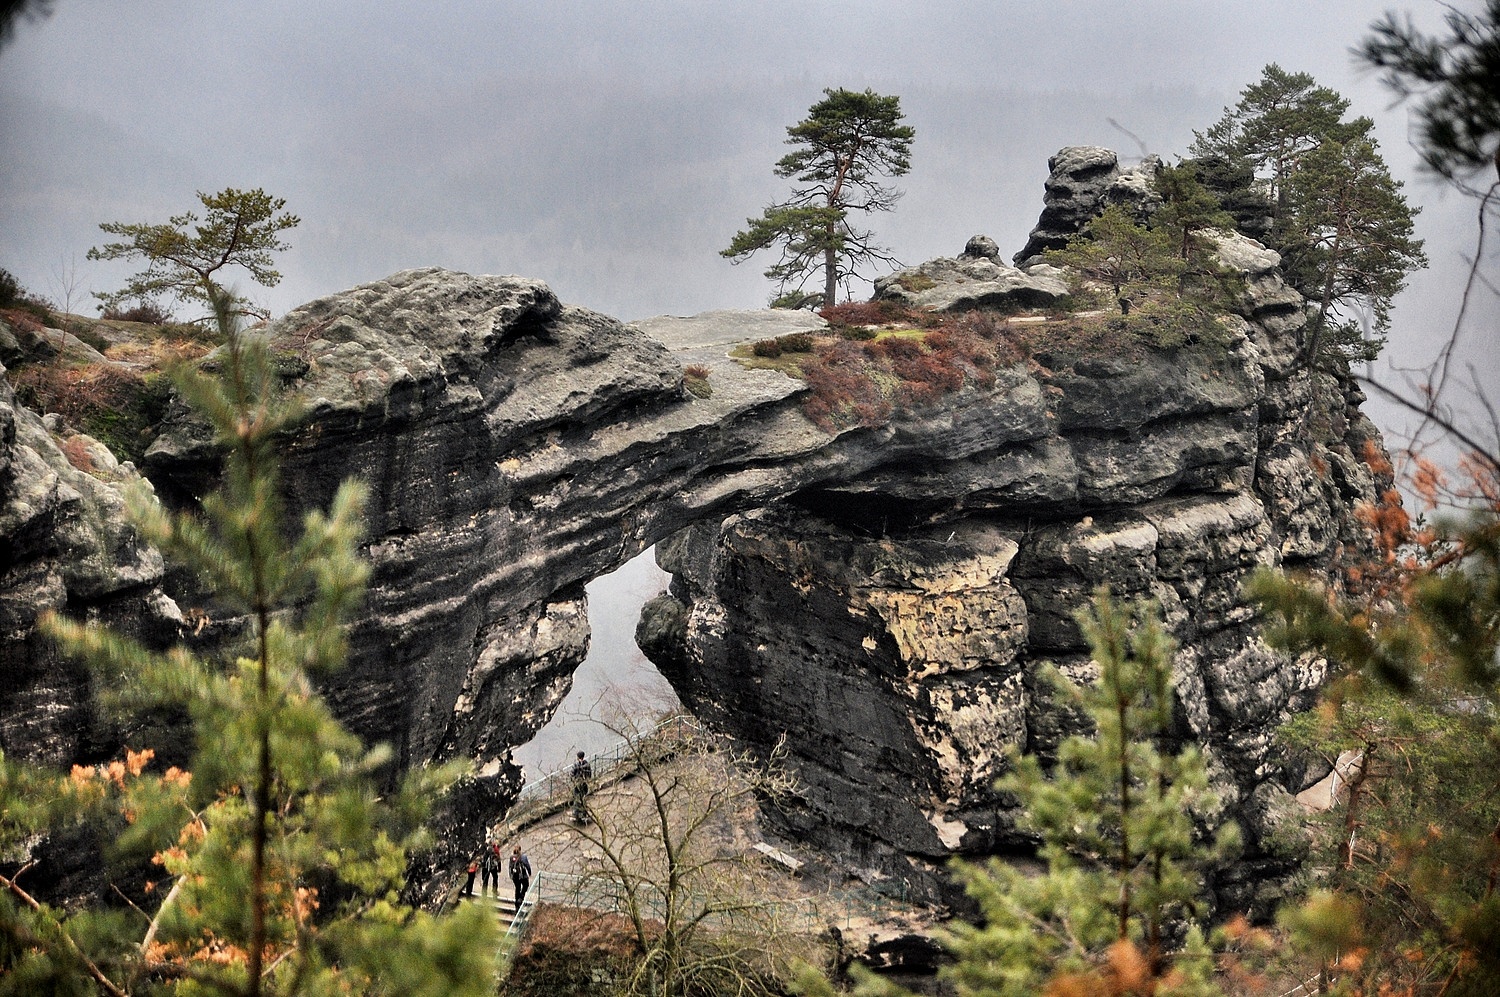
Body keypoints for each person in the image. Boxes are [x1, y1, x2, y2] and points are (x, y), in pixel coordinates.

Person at [570, 750, 593, 822]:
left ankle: (576, 815)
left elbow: (571, 775)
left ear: (578, 757)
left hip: (577, 785)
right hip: (584, 784)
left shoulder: (576, 765)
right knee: (583, 799)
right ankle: (584, 814)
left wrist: (574, 781)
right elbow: (589, 774)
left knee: (577, 799)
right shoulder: (587, 764)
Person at [508, 845, 532, 910]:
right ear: (520, 850)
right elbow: (527, 865)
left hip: (515, 877)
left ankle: (517, 905)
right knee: (526, 885)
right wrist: (529, 873)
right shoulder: (523, 857)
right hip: (523, 876)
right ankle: (521, 898)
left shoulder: (511, 857)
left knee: (517, 888)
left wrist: (511, 875)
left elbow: (510, 867)